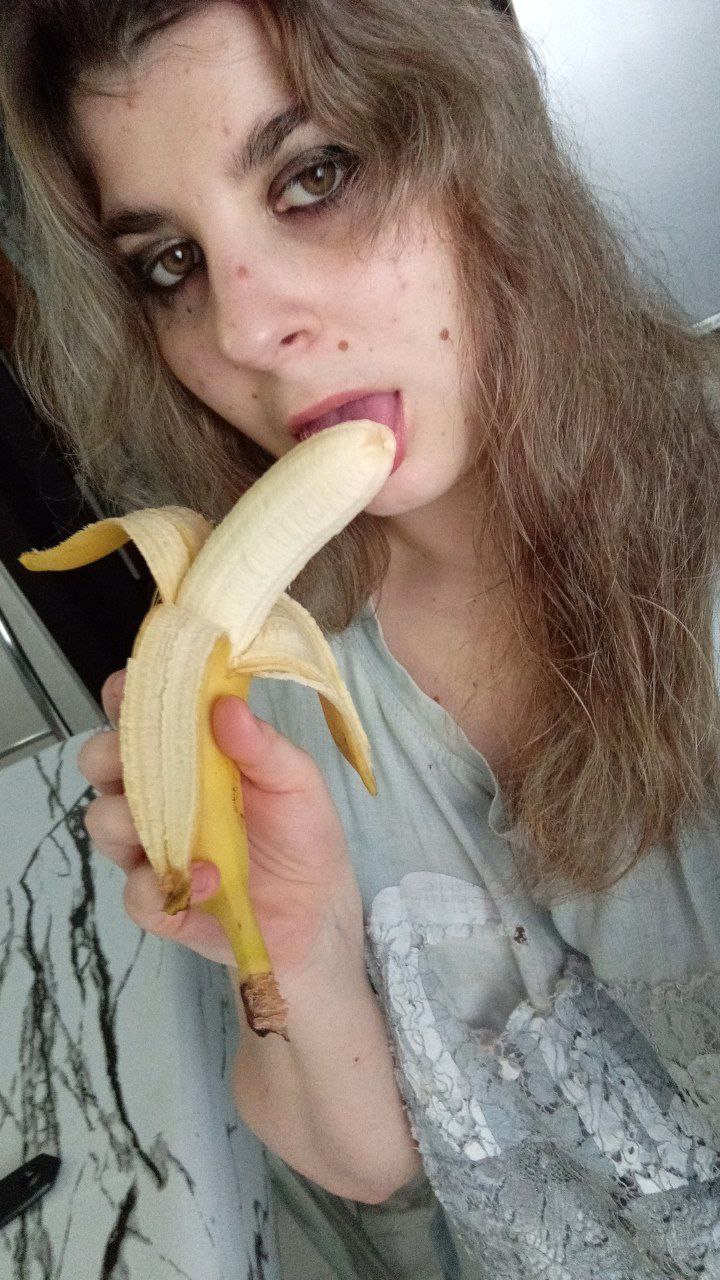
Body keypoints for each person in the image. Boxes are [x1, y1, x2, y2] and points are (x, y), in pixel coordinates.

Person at [2, 2, 719, 1275]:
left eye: (314, 176)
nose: (240, 330)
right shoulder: (270, 678)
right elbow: (375, 1168)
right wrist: (292, 949)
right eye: (172, 262)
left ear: (478, 143)